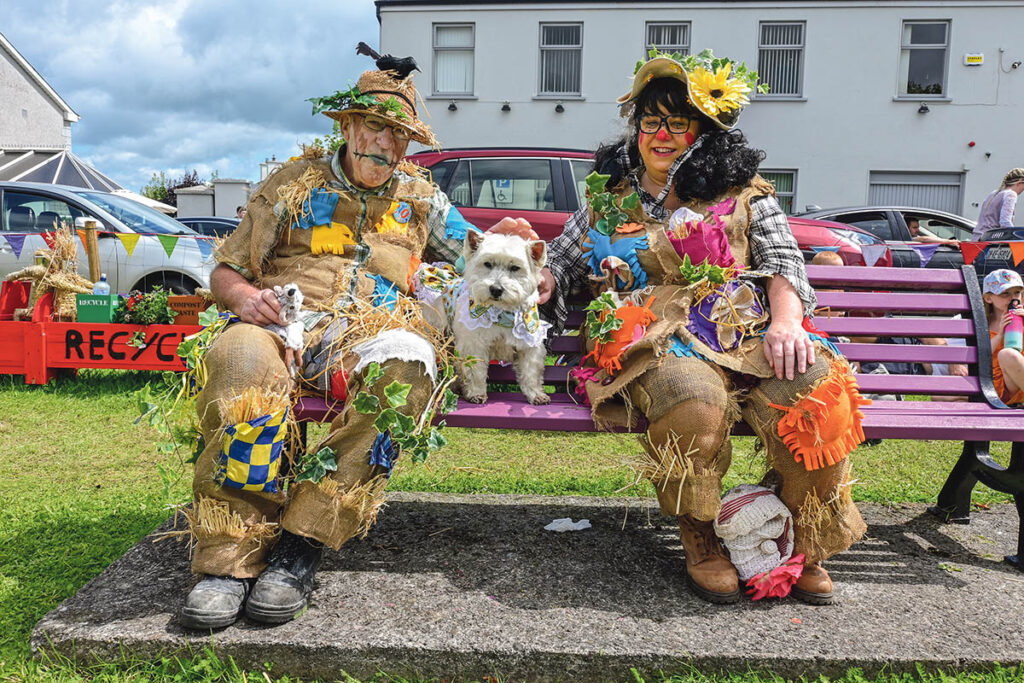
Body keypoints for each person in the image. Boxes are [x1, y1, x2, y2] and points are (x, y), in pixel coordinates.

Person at [534, 50, 867, 604]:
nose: (661, 134)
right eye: (650, 121)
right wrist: (545, 278)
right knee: (695, 401)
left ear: (703, 130)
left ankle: (805, 537)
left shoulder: (745, 193)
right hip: (651, 335)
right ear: (635, 129)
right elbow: (565, 260)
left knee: (814, 394)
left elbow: (784, 263)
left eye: (677, 121)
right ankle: (702, 532)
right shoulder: (607, 197)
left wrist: (788, 323)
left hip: (745, 330)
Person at [179, 46, 480, 630]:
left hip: (371, 335)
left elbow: (480, 255)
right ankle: (228, 555)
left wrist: (524, 256)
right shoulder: (294, 183)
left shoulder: (422, 199)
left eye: (399, 135)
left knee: (410, 370)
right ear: (346, 125)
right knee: (238, 359)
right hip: (283, 326)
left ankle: (302, 541)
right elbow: (227, 269)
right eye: (374, 126)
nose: (386, 145)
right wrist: (244, 300)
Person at [983, 269, 1024, 406]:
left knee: (1008, 354)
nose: (1013, 298)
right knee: (1007, 354)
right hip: (1000, 385)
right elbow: (982, 356)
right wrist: (1000, 335)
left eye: (1017, 293)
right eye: (1005, 293)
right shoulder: (983, 324)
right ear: (988, 298)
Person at [973, 168, 1024, 240]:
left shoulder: (994, 193)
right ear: (1019, 182)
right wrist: (1015, 237)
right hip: (991, 242)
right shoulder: (1011, 194)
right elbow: (1005, 222)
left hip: (977, 239)